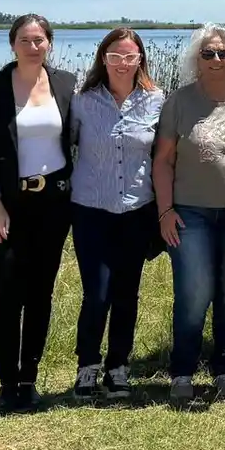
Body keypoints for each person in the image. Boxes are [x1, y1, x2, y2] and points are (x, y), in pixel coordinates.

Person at [153, 24, 225, 403]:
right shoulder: (180, 101)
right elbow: (163, 161)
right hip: (191, 215)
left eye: (224, 53)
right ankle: (183, 372)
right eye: (208, 53)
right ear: (197, 59)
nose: (216, 59)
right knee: (194, 293)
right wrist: (165, 211)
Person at [0, 14, 77, 411]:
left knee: (41, 293)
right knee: (6, 293)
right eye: (25, 40)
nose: (33, 47)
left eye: (39, 40)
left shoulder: (66, 84)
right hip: (7, 206)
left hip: (53, 205)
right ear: (12, 44)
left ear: (50, 43)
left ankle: (29, 378)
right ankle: (7, 382)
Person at [67, 28, 165, 401]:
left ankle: (118, 368)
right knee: (97, 292)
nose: (122, 64)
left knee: (127, 293)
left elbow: (163, 156)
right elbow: (65, 145)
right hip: (91, 209)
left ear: (140, 59)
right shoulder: (82, 99)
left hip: (137, 210)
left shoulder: (156, 100)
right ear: (103, 59)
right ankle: (87, 366)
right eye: (115, 56)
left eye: (129, 56)